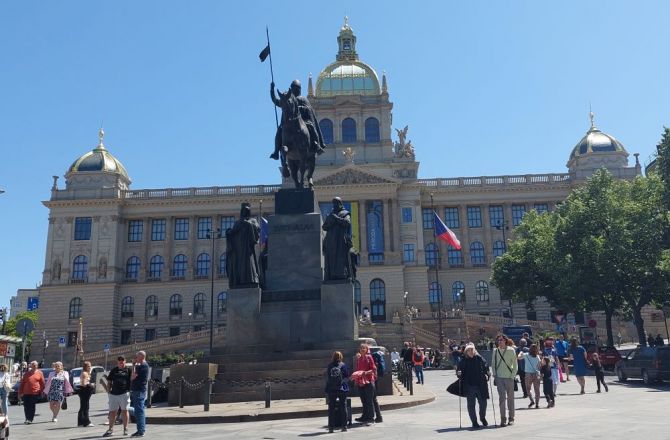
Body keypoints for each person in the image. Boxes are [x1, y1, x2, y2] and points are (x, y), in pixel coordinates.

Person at [269, 79, 326, 160]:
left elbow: (308, 110)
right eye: (293, 88)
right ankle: (276, 152)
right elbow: (276, 101)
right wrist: (272, 89)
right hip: (288, 123)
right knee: (279, 130)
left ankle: (316, 145)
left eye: (296, 88)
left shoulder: (303, 99)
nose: (294, 90)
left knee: (311, 127)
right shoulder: (287, 100)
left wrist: (300, 108)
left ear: (299, 89)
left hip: (304, 122)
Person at [225, 203, 260, 288]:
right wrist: (228, 232)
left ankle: (251, 280)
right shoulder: (238, 222)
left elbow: (257, 230)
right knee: (239, 264)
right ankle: (239, 281)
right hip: (239, 248)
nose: (245, 212)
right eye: (243, 210)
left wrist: (248, 224)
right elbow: (233, 233)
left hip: (248, 247)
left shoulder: (253, 221)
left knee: (249, 263)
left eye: (246, 210)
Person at [457, 343, 490, 429]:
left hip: (480, 384)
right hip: (469, 385)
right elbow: (459, 369)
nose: (471, 352)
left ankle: (482, 417)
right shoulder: (463, 360)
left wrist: (487, 372)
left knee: (483, 403)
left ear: (474, 350)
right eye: (469, 350)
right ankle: (474, 421)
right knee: (471, 405)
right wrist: (459, 373)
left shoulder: (479, 358)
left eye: (472, 350)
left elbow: (485, 365)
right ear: (466, 352)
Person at [322, 197, 354, 280]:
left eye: (336, 203)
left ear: (340, 204)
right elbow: (324, 227)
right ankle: (331, 275)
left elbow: (347, 223)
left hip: (340, 240)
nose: (334, 205)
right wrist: (331, 221)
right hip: (331, 240)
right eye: (333, 203)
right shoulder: (331, 214)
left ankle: (342, 275)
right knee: (331, 258)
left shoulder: (345, 213)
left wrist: (337, 218)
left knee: (341, 258)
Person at [492, 335, 518, 427]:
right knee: (502, 398)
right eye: (498, 340)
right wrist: (495, 374)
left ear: (505, 341)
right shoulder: (495, 351)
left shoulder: (511, 350)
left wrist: (512, 376)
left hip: (509, 377)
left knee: (510, 399)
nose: (500, 342)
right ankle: (503, 419)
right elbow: (493, 364)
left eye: (501, 340)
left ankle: (511, 418)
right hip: (499, 378)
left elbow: (515, 364)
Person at [103, 356, 132, 437]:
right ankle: (110, 429)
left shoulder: (128, 370)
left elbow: (132, 380)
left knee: (124, 411)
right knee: (112, 412)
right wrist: (108, 390)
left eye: (122, 361)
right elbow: (109, 380)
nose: (121, 362)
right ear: (117, 362)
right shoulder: (114, 370)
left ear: (125, 361)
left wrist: (130, 390)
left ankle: (125, 428)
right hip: (114, 394)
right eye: (119, 361)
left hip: (124, 393)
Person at [352, 344, 378, 425]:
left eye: (364, 348)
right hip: (361, 382)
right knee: (363, 400)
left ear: (367, 350)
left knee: (369, 401)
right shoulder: (359, 359)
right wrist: (355, 376)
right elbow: (358, 370)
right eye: (361, 348)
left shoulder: (369, 357)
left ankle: (371, 418)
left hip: (369, 381)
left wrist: (365, 373)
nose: (362, 349)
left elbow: (373, 369)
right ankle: (364, 416)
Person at [325, 351, 349, 433]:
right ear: (341, 357)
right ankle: (344, 426)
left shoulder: (330, 366)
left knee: (331, 408)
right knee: (343, 407)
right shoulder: (343, 365)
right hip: (341, 389)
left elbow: (328, 377)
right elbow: (346, 376)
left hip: (332, 389)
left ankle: (331, 427)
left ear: (333, 357)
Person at [130, 351, 150, 437]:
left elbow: (132, 377)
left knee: (139, 411)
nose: (136, 358)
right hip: (138, 390)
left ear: (142, 357)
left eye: (137, 357)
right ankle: (140, 430)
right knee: (138, 410)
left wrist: (133, 365)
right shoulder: (143, 365)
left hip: (139, 390)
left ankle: (141, 431)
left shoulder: (142, 366)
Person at [517, 344, 541, 409]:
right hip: (536, 374)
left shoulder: (526, 355)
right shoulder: (537, 357)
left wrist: (520, 352)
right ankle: (537, 404)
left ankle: (532, 400)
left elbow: (518, 357)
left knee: (528, 388)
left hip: (528, 374)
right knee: (537, 390)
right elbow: (539, 366)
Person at [77, 361, 95, 427]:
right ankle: (86, 422)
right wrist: (91, 385)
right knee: (86, 407)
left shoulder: (86, 373)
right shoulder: (85, 373)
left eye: (90, 366)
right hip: (85, 391)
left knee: (82, 407)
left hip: (83, 391)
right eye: (88, 366)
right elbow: (84, 384)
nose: (90, 367)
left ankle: (80, 422)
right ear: (85, 367)